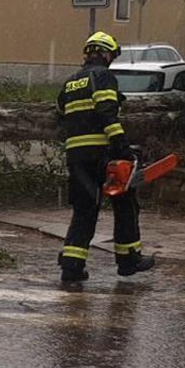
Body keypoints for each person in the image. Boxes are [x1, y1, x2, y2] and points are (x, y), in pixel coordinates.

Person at [57, 30, 157, 283]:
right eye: (111, 54)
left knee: (85, 209)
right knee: (125, 204)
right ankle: (128, 260)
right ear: (104, 53)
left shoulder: (70, 81)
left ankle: (71, 267)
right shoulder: (103, 77)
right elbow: (106, 113)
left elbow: (60, 110)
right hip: (103, 154)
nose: (111, 59)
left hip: (76, 156)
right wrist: (121, 146)